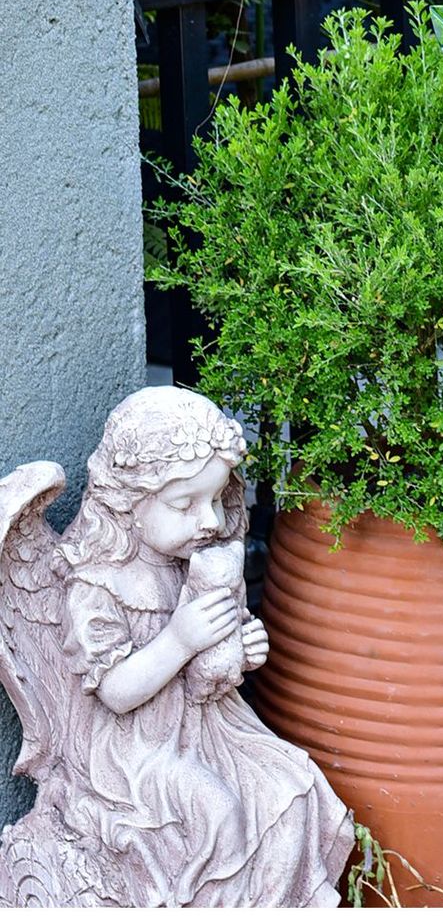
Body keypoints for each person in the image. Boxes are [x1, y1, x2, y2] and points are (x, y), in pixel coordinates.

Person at [0, 386, 353, 907]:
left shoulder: (195, 564)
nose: (209, 521)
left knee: (292, 784)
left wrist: (239, 649)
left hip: (202, 725)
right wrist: (182, 638)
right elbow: (116, 692)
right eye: (184, 504)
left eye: (214, 499)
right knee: (219, 811)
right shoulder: (95, 584)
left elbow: (206, 679)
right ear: (128, 504)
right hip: (130, 748)